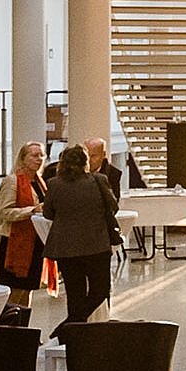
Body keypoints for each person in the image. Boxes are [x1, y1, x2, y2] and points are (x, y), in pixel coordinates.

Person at [40, 145, 122, 339]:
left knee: (75, 293)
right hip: (96, 245)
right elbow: (113, 206)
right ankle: (71, 325)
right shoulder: (98, 180)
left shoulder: (54, 184)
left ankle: (73, 332)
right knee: (100, 290)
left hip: (66, 248)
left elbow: (48, 213)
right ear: (85, 162)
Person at [0, 140, 49, 324]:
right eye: (34, 155)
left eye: (41, 155)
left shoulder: (40, 182)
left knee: (28, 288)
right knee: (15, 289)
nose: (39, 159)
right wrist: (32, 210)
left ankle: (23, 327)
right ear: (23, 158)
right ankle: (8, 328)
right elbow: (4, 212)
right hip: (15, 242)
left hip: (35, 241)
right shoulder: (12, 181)